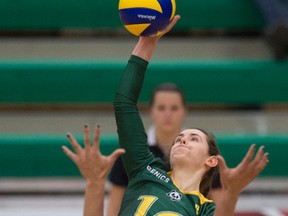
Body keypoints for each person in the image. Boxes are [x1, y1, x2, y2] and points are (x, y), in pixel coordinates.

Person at [63, 15, 269, 216]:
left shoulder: (205, 208)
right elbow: (124, 103)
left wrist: (231, 193)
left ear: (211, 160)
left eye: (193, 138)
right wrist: (146, 42)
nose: (182, 140)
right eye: (180, 138)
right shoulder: (145, 169)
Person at [107, 82, 187, 216]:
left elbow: (217, 207)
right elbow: (114, 208)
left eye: (174, 108)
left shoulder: (201, 151)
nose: (167, 114)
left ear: (184, 111)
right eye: (161, 108)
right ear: (151, 111)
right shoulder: (131, 152)